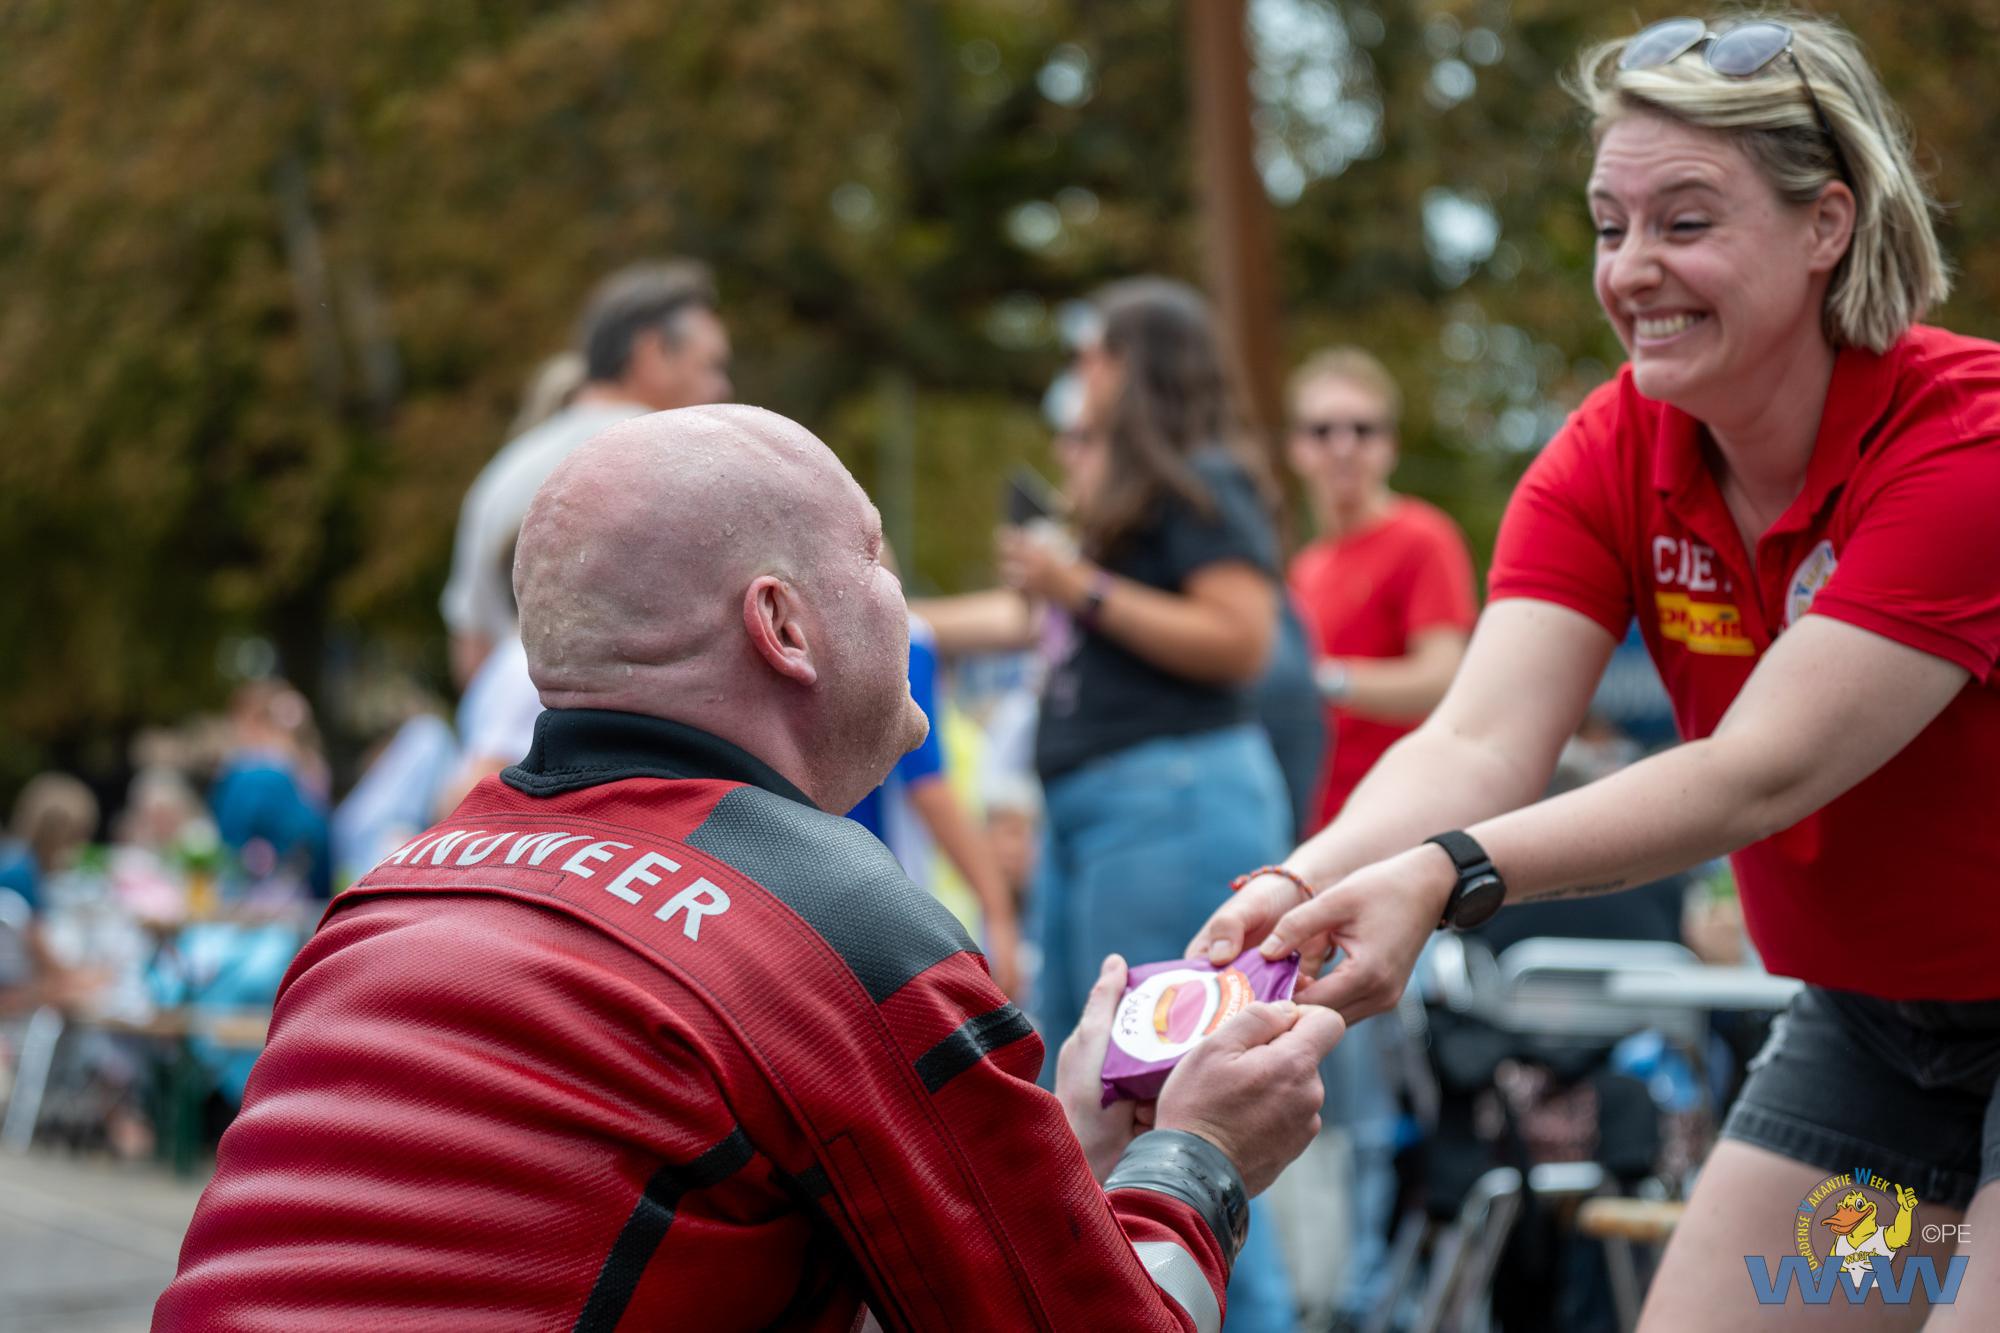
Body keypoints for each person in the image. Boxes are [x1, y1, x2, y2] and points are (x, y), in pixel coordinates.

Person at [156, 406, 1346, 1331]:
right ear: (782, 626)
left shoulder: (395, 894)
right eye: (878, 559)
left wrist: (1061, 1157)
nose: (912, 612)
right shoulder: (832, 919)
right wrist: (1198, 1158)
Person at [1194, 15, 1998, 1328]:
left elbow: (1759, 770)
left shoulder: (1967, 446)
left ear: (1826, 226)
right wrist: (1302, 882)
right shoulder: (1612, 449)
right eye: (1608, 225)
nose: (1632, 270)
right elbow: (1477, 742)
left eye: (1686, 222)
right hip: (1877, 1033)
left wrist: (1449, 876)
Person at [922, 277, 1304, 1330]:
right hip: (1108, 808)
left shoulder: (1205, 483)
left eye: (1092, 353)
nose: (1076, 374)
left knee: (1185, 1106)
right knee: (1094, 1100)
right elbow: (1027, 616)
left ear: (1140, 366)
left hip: (1170, 797)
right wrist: (889, 619)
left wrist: (1072, 582)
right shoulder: (1128, 498)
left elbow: (1241, 637)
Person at [441, 260, 732, 687]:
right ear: (652, 354)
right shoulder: (700, 461)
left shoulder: (500, 478)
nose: (722, 388)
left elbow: (473, 656)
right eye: (710, 365)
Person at [1284, 348, 1476, 831]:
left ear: (1389, 445)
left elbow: (1444, 678)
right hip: (1319, 824)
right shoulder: (1306, 567)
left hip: (1400, 824)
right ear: (1296, 448)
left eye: (1363, 429)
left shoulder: (1423, 537)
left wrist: (1326, 682)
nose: (1343, 446)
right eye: (1322, 431)